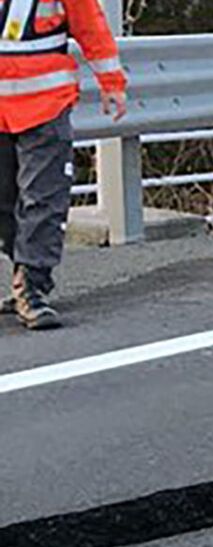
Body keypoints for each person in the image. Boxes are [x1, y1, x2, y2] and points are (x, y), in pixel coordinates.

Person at [1, 0, 128, 330]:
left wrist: (111, 81)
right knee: (5, 202)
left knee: (43, 198)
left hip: (46, 103)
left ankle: (31, 285)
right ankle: (23, 276)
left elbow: (90, 24)